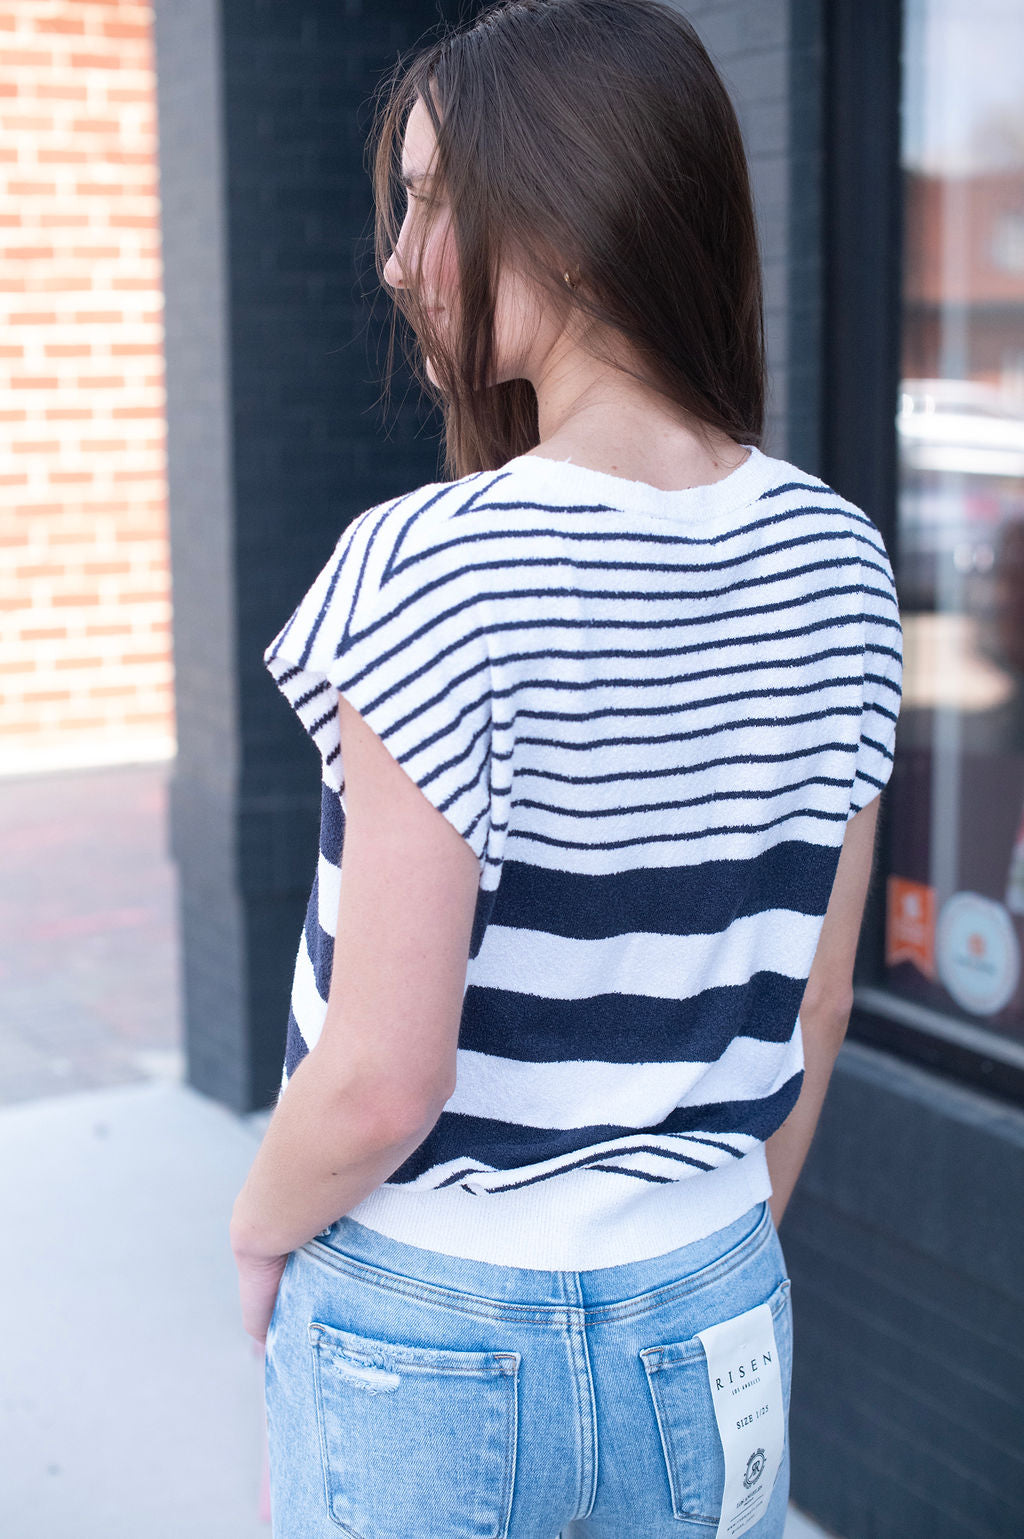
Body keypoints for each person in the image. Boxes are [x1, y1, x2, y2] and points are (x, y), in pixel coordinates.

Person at [229, 2, 903, 1535]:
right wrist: (703, 1243)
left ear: (578, 219)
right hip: (715, 1289)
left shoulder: (427, 565)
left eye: (433, 200)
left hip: (428, 1313)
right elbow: (820, 996)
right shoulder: (842, 560)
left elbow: (383, 1079)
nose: (397, 256)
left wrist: (262, 1233)